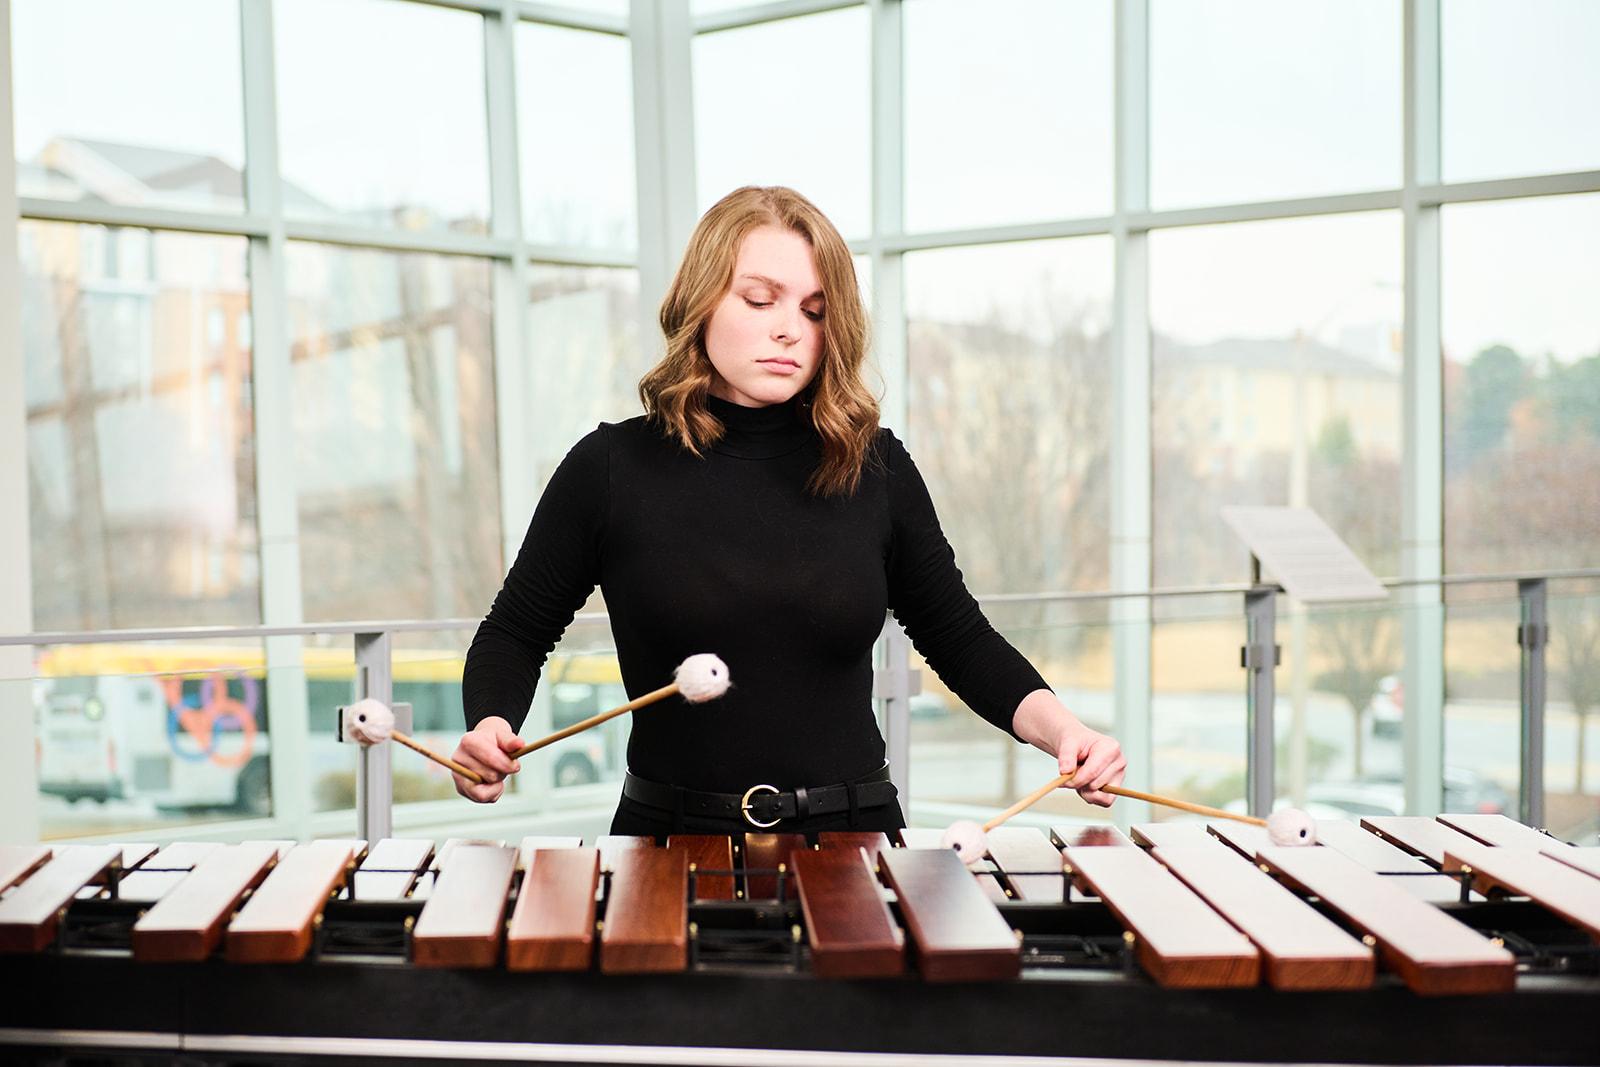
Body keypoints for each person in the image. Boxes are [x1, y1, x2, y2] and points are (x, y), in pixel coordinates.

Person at [452, 185, 1124, 837]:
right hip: (665, 842)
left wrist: (1069, 732)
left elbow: (962, 638)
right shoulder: (609, 468)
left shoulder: (875, 466)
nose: (788, 329)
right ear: (700, 301)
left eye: (813, 309)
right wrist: (488, 724)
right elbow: (515, 631)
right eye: (758, 298)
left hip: (854, 841)